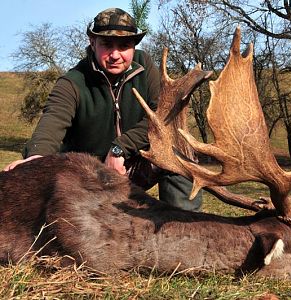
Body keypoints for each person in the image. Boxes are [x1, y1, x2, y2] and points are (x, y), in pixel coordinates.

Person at [4, 8, 202, 211]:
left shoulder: (145, 66)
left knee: (180, 152)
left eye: (124, 46)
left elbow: (160, 117)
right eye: (107, 45)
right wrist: (36, 158)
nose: (115, 55)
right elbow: (53, 120)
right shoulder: (72, 82)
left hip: (131, 166)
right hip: (90, 176)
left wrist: (120, 148)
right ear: (93, 43)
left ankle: (183, 223)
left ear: (134, 46)